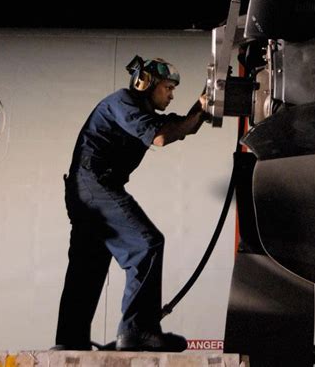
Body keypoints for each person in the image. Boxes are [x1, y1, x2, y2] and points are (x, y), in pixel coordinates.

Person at [53, 55, 210, 353]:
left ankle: (69, 340)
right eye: (168, 88)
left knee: (88, 265)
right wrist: (197, 112)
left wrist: (204, 105)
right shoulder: (124, 102)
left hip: (85, 189)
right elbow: (162, 137)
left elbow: (183, 127)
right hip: (93, 183)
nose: (172, 94)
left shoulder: (146, 113)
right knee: (146, 244)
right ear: (146, 83)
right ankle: (137, 330)